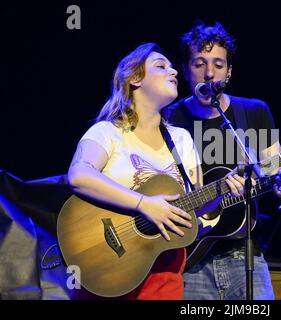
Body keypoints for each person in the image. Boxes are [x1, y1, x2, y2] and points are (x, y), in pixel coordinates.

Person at [67, 42, 239, 300]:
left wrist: (223, 188)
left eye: (172, 67)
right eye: (161, 66)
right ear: (135, 78)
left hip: (164, 277)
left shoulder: (181, 140)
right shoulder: (108, 132)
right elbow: (79, 175)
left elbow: (194, 206)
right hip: (108, 267)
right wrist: (143, 204)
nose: (174, 72)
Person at [164, 22, 281, 300]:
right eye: (199, 63)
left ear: (229, 72)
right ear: (186, 69)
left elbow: (273, 170)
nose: (209, 73)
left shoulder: (253, 111)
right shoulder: (168, 119)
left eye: (218, 64)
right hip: (190, 259)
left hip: (245, 255)